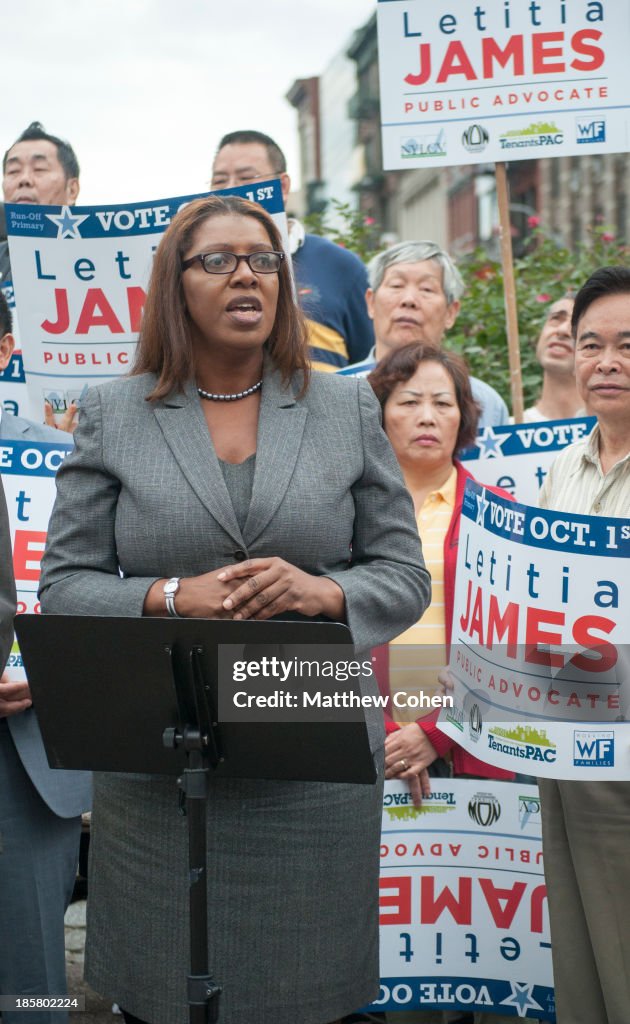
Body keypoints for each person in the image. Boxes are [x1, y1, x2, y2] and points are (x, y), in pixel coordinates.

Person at [39, 193, 430, 1024]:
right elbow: (65, 586)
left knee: (310, 995)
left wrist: (324, 592)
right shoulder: (113, 412)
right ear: (175, 285)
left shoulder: (344, 405)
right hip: (161, 772)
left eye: (261, 260)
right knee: (165, 991)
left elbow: (403, 574)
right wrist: (171, 596)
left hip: (311, 761)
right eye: (217, 260)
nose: (245, 274)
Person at [537, 266, 630, 1024]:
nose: (606, 362)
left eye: (628, 346)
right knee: (579, 956)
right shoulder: (560, 468)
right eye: (591, 344)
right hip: (561, 750)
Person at [0, 291, 91, 1024]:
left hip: (28, 746)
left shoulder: (69, 459)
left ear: (5, 352)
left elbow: (99, 585)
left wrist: (46, 665)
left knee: (28, 987)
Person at [368, 343, 513, 799]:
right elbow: (324, 635)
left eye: (443, 403)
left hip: (476, 751)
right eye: (409, 402)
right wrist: (389, 736)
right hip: (367, 749)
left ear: (464, 417)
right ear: (379, 415)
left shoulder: (501, 516)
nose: (427, 417)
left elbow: (516, 649)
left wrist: (434, 734)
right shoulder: (342, 512)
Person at [210, 129, 374, 371]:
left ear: (283, 186)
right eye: (220, 181)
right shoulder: (196, 268)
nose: (231, 190)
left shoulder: (342, 267)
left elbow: (370, 363)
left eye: (246, 178)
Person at [339, 241, 509, 429]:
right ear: (371, 303)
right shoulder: (331, 392)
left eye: (427, 289)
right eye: (397, 285)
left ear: (451, 312)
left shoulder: (484, 402)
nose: (409, 300)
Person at [1, 121, 81, 430]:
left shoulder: (102, 265)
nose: (23, 181)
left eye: (38, 169)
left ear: (72, 188)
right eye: (12, 171)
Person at [523, 296, 582, 421]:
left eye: (577, 325)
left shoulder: (614, 430)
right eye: (556, 318)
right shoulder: (509, 432)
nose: (562, 330)